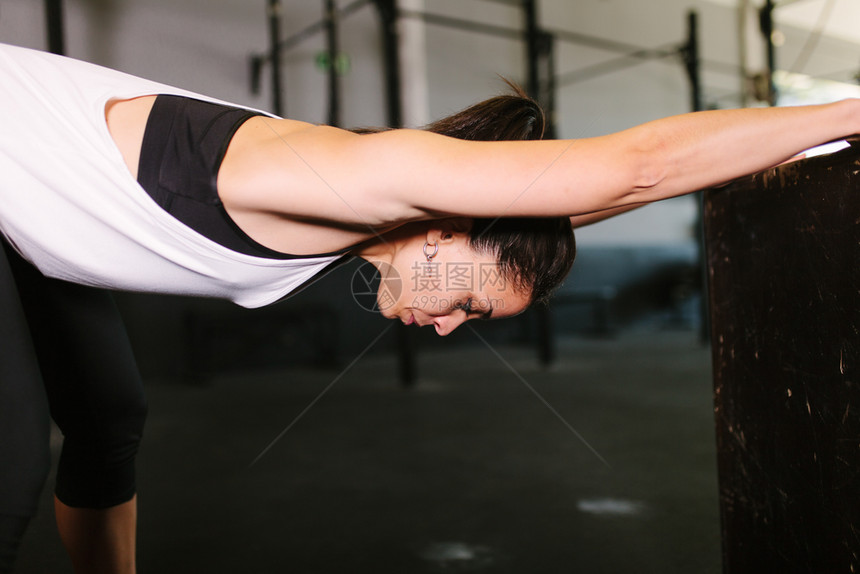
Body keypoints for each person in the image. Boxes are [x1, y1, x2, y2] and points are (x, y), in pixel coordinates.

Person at [0, 41, 857, 573]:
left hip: (29, 221)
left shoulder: (370, 217)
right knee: (11, 467)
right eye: (471, 305)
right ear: (446, 231)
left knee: (109, 421)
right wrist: (852, 109)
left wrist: (805, 144)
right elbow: (637, 166)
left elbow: (605, 196)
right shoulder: (355, 175)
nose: (447, 325)